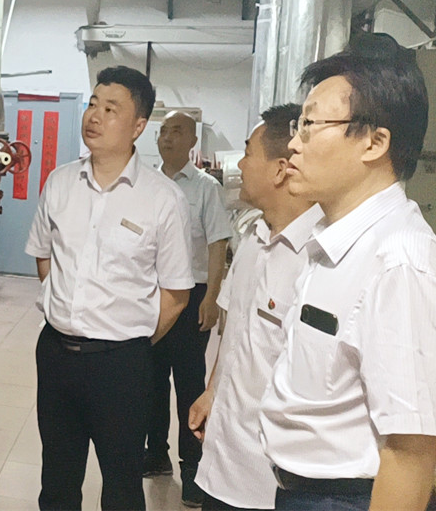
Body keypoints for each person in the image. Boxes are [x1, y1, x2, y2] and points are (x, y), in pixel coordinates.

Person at [259, 33, 436, 510]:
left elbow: (412, 453)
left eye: (310, 125)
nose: (293, 144)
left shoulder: (398, 262)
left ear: (375, 142)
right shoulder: (333, 238)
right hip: (304, 491)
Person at [25, 65, 194, 511]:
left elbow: (176, 293)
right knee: (57, 481)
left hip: (122, 366)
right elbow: (45, 257)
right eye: (92, 104)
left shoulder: (163, 199)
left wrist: (129, 340)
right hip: (56, 355)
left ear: (138, 126)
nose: (94, 116)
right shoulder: (60, 182)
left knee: (121, 487)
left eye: (111, 109)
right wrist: (69, 309)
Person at [188, 103, 324, 510]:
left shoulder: (317, 259)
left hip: (266, 482)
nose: (241, 165)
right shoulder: (254, 237)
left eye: (248, 153)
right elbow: (234, 330)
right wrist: (212, 391)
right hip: (220, 461)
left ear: (281, 169)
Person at [144, 111, 231, 507]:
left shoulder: (206, 188)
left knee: (189, 384)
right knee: (151, 379)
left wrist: (212, 297)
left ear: (193, 140)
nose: (167, 137)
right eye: (162, 131)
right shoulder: (146, 183)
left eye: (176, 131)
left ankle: (192, 469)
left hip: (192, 294)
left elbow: (217, 244)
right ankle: (155, 454)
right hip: (152, 293)